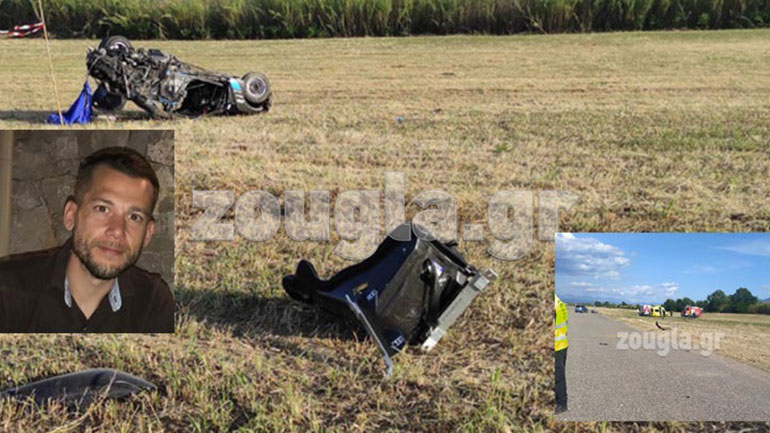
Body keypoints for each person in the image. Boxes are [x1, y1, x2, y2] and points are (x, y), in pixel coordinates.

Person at [0, 147, 174, 333]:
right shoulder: (7, 291)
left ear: (147, 233)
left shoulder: (153, 303)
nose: (117, 231)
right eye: (102, 209)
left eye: (134, 217)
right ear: (71, 216)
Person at [554, 294, 568, 414]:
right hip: (561, 345)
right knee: (558, 377)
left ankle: (561, 404)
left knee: (558, 378)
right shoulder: (559, 301)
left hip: (557, 347)